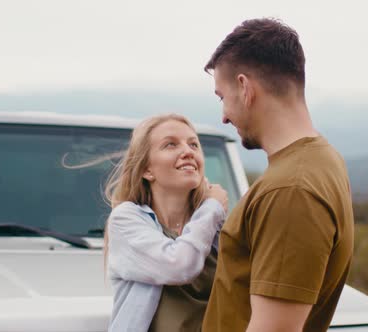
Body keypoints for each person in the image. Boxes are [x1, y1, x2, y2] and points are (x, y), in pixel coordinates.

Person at [201, 18, 354, 332]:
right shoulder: (322, 160)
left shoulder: (291, 189)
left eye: (222, 97)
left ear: (244, 88)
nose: (224, 116)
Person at [104, 113, 229, 332]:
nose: (188, 151)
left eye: (194, 144)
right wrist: (211, 208)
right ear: (146, 169)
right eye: (171, 145)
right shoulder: (126, 220)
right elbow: (179, 265)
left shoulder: (216, 225)